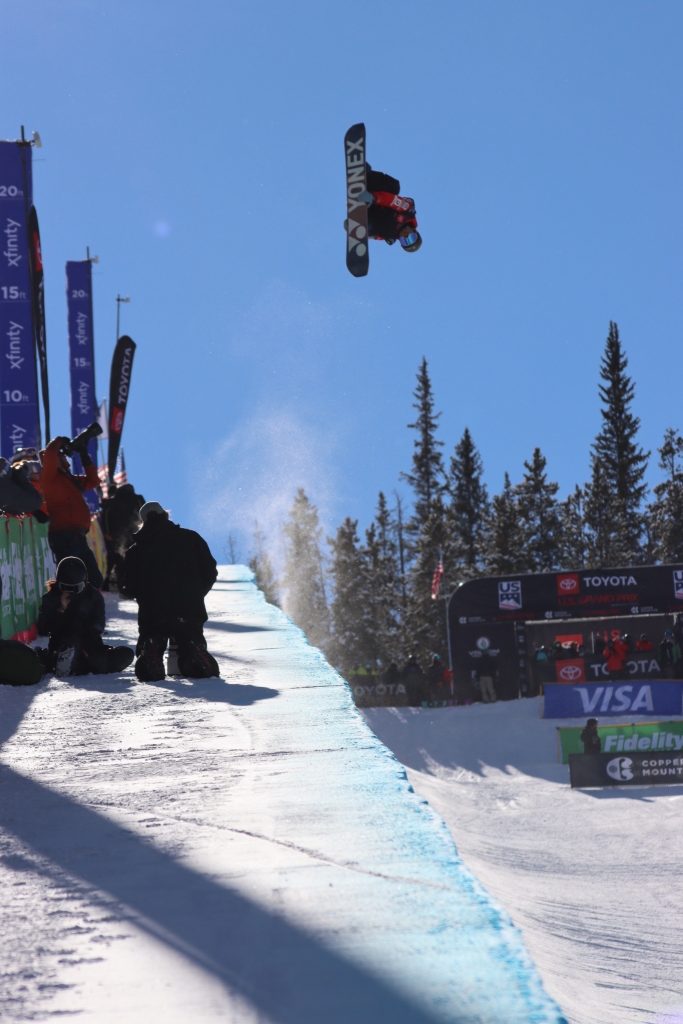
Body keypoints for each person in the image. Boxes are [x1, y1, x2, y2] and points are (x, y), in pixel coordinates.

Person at [119, 502, 219, 681]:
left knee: (153, 633)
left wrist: (142, 595)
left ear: (142, 521)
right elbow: (210, 570)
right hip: (189, 608)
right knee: (190, 635)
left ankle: (152, 650)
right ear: (165, 515)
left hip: (153, 611)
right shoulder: (191, 538)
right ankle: (193, 651)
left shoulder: (136, 550)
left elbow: (127, 586)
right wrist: (196, 594)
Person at [37, 556, 134, 676]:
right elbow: (43, 628)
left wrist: (80, 627)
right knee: (49, 654)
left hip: (89, 646)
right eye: (65, 587)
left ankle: (75, 663)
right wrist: (61, 609)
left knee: (124, 654)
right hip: (61, 643)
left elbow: (98, 626)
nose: (71, 592)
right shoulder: (51, 597)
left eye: (76, 588)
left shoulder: (93, 597)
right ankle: (64, 660)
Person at [39, 435, 103, 588]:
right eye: (61, 455)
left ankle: (84, 606)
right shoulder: (49, 477)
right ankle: (66, 606)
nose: (65, 458)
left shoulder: (70, 479)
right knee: (72, 577)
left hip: (76, 535)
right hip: (63, 535)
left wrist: (83, 454)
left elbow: (93, 480)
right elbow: (49, 454)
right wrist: (59, 440)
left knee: (94, 579)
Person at [359, 166, 422, 252]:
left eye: (405, 242)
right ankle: (366, 175)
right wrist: (373, 197)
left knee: (384, 231)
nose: (406, 236)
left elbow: (377, 236)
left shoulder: (391, 235)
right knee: (394, 186)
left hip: (368, 211)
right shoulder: (407, 211)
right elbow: (391, 200)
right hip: (373, 193)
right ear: (414, 232)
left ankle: (359, 224)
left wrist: (359, 232)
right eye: (411, 238)